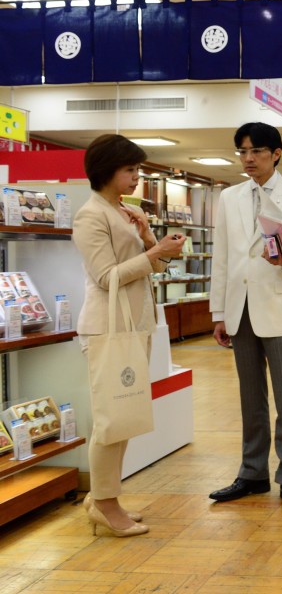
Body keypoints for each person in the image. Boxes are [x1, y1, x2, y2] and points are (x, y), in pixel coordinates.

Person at [73, 134, 186, 537]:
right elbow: (107, 278)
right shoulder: (91, 215)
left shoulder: (121, 212)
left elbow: (151, 269)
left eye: (138, 169)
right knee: (111, 417)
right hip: (107, 328)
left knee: (121, 417)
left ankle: (105, 498)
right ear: (107, 170)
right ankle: (103, 503)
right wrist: (152, 253)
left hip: (132, 326)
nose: (137, 177)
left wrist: (151, 239)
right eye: (130, 170)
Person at [209, 121, 282, 512]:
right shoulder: (229, 198)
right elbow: (222, 258)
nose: (248, 159)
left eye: (256, 151)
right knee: (250, 399)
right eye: (242, 152)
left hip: (281, 307)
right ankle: (252, 473)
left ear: (276, 153)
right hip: (240, 311)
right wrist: (219, 312)